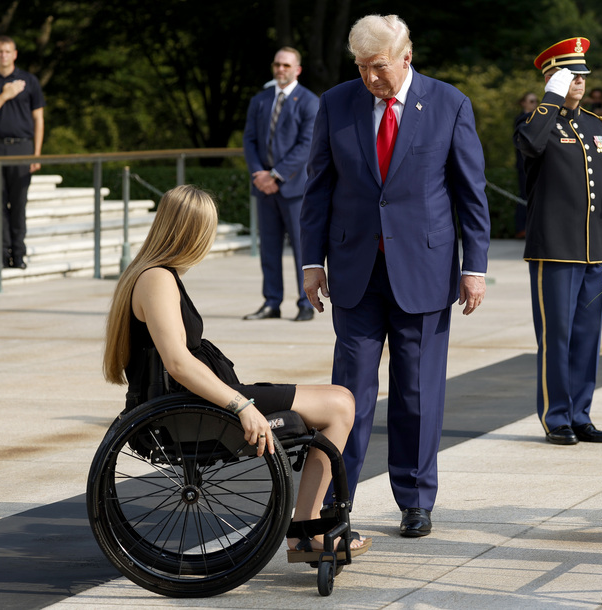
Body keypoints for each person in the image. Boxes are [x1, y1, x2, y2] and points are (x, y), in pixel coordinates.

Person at [103, 185, 369, 559]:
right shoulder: (156, 279)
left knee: (340, 399)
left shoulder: (153, 274)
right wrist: (241, 404)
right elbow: (177, 362)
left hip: (195, 400)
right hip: (189, 410)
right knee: (340, 406)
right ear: (191, 232)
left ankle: (305, 526)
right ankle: (305, 529)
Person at [301, 14, 491, 537]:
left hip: (425, 271)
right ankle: (340, 497)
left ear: (406, 57)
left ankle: (415, 498)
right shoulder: (337, 102)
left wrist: (474, 268)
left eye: (378, 67)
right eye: (361, 68)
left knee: (418, 392)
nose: (369, 79)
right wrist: (312, 262)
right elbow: (318, 187)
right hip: (354, 271)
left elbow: (470, 193)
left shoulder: (448, 104)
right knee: (349, 395)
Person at [515, 38, 602, 446]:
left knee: (587, 336)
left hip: (593, 250)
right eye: (569, 75)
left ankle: (581, 413)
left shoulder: (597, 127)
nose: (579, 82)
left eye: (582, 75)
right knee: (558, 336)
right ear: (550, 78)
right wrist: (549, 99)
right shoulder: (538, 123)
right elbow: (530, 145)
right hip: (554, 248)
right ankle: (557, 416)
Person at [242, 47, 318, 322]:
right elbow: (249, 140)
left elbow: (306, 145)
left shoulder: (309, 102)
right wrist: (259, 175)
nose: (280, 69)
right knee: (269, 249)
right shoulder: (260, 101)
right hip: (264, 189)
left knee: (302, 248)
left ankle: (305, 303)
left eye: (286, 65)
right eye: (277, 64)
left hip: (295, 189)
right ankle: (271, 302)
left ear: (297, 69)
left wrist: (275, 175)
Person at [0, 35, 45, 270]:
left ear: (15, 54)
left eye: (8, 51)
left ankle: (18, 254)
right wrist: (4, 95)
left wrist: (36, 154)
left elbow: (39, 118)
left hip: (22, 147)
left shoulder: (30, 81)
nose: (3, 55)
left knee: (18, 204)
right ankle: (2, 253)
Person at [513, 92, 539, 239]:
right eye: (531, 101)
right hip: (523, 165)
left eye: (536, 101)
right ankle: (521, 228)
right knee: (524, 195)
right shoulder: (521, 119)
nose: (534, 104)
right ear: (523, 103)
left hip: (535, 164)